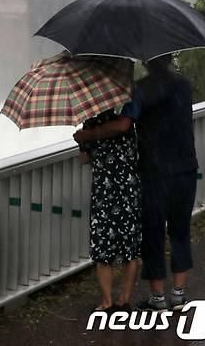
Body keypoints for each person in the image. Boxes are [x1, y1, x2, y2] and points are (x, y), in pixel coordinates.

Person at [74, 54, 197, 312]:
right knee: (180, 231)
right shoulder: (184, 86)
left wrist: (90, 134)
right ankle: (179, 295)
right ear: (171, 58)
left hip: (154, 172)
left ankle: (158, 298)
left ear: (148, 62)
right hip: (185, 167)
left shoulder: (141, 90)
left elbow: (123, 124)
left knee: (153, 234)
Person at [76, 108, 142, 313]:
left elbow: (84, 159)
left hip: (104, 195)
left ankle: (106, 301)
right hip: (128, 191)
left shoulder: (90, 125)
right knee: (130, 248)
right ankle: (124, 299)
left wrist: (82, 140)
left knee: (103, 248)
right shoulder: (127, 118)